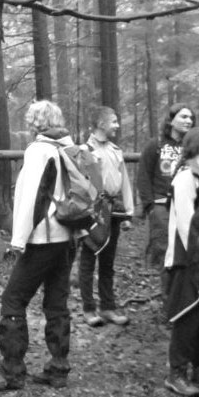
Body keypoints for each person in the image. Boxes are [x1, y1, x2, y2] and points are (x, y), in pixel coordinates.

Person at [0, 100, 77, 391]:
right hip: (67, 235)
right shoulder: (69, 148)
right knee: (57, 302)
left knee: (12, 300)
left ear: (35, 123)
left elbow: (30, 199)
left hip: (43, 237)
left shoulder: (39, 151)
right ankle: (58, 368)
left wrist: (18, 240)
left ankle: (11, 371)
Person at [162, 127, 199, 397]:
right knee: (188, 315)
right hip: (188, 260)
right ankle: (177, 372)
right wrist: (198, 260)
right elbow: (186, 225)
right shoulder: (185, 179)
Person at [79, 107, 136, 327]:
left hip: (113, 210)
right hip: (93, 211)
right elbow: (80, 184)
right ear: (101, 124)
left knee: (108, 261)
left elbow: (125, 182)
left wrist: (128, 212)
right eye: (113, 121)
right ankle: (88, 309)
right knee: (88, 259)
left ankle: (108, 307)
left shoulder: (115, 150)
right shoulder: (85, 150)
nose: (117, 126)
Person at [138, 103, 196, 306]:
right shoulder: (156, 145)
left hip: (187, 207)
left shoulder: (193, 147)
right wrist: (150, 207)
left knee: (186, 252)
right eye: (183, 116)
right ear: (171, 120)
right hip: (161, 207)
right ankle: (169, 303)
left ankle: (185, 301)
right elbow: (143, 176)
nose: (188, 121)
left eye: (191, 117)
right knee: (165, 253)